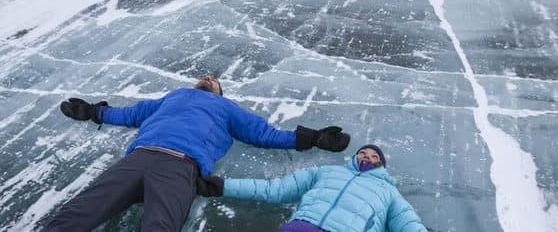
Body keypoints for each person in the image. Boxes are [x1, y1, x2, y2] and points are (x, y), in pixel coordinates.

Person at [44, 75, 351, 231]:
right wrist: (91, 112)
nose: (208, 78)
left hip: (181, 168)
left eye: (214, 80)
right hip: (137, 159)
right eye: (206, 77)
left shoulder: (226, 108)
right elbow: (129, 114)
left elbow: (264, 134)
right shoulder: (172, 97)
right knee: (75, 215)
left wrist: (315, 138)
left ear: (219, 91)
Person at [197, 144, 427, 232]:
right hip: (301, 228)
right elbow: (274, 189)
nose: (367, 156)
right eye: (363, 152)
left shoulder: (388, 191)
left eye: (374, 156)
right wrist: (223, 186)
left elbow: (407, 223)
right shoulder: (326, 171)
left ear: (381, 164)